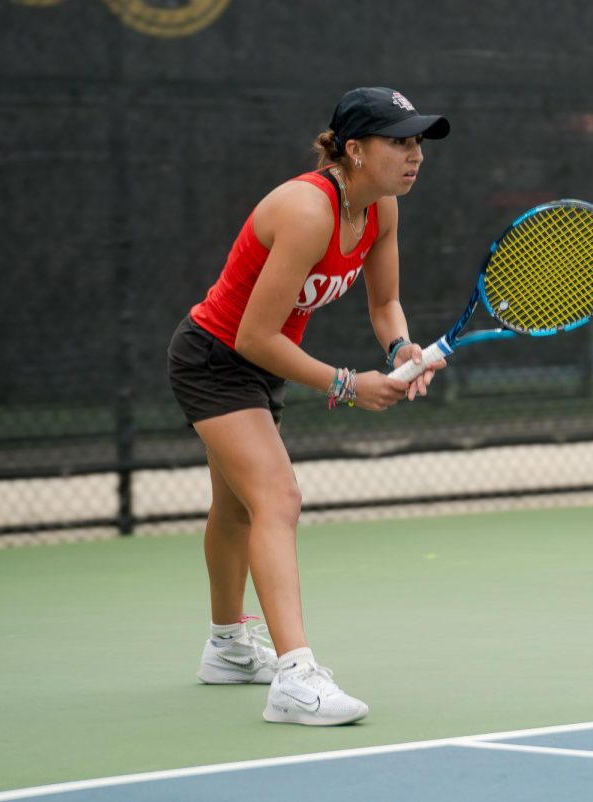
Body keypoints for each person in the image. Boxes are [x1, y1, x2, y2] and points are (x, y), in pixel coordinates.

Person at [166, 87, 448, 726]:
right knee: (278, 499)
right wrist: (349, 385)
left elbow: (383, 306)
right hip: (215, 359)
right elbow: (252, 336)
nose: (415, 156)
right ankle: (294, 677)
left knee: (237, 508)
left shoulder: (379, 211)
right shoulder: (307, 210)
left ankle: (227, 648)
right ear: (354, 150)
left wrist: (404, 350)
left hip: (260, 367)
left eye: (418, 144)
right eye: (399, 143)